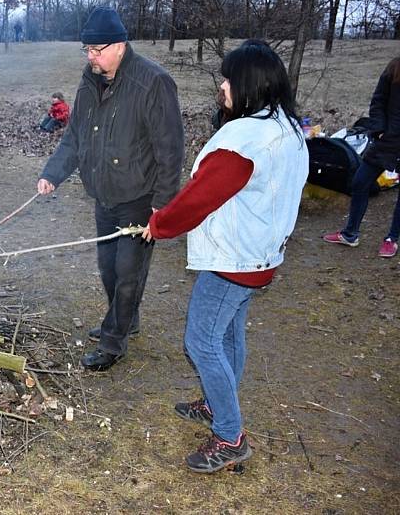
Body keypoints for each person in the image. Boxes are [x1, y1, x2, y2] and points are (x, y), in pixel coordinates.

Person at [142, 40, 308, 473]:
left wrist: (160, 224)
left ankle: (230, 436)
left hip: (234, 260)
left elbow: (201, 198)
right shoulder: (287, 128)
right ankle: (218, 405)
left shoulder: (245, 140)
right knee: (229, 335)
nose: (223, 85)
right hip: (259, 256)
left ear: (249, 83)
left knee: (200, 341)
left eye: (229, 78)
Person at [36, 7, 184, 371]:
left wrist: (162, 205)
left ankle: (113, 343)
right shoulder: (90, 82)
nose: (91, 57)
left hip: (139, 197)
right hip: (104, 194)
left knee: (128, 271)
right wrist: (52, 174)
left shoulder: (153, 82)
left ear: (120, 45)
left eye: (97, 50)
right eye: (86, 50)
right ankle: (126, 319)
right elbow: (74, 137)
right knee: (108, 270)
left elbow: (171, 149)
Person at [323, 56, 400, 258]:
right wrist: (379, 129)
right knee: (359, 182)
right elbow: (378, 100)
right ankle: (350, 234)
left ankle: (392, 238)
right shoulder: (394, 67)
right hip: (387, 141)